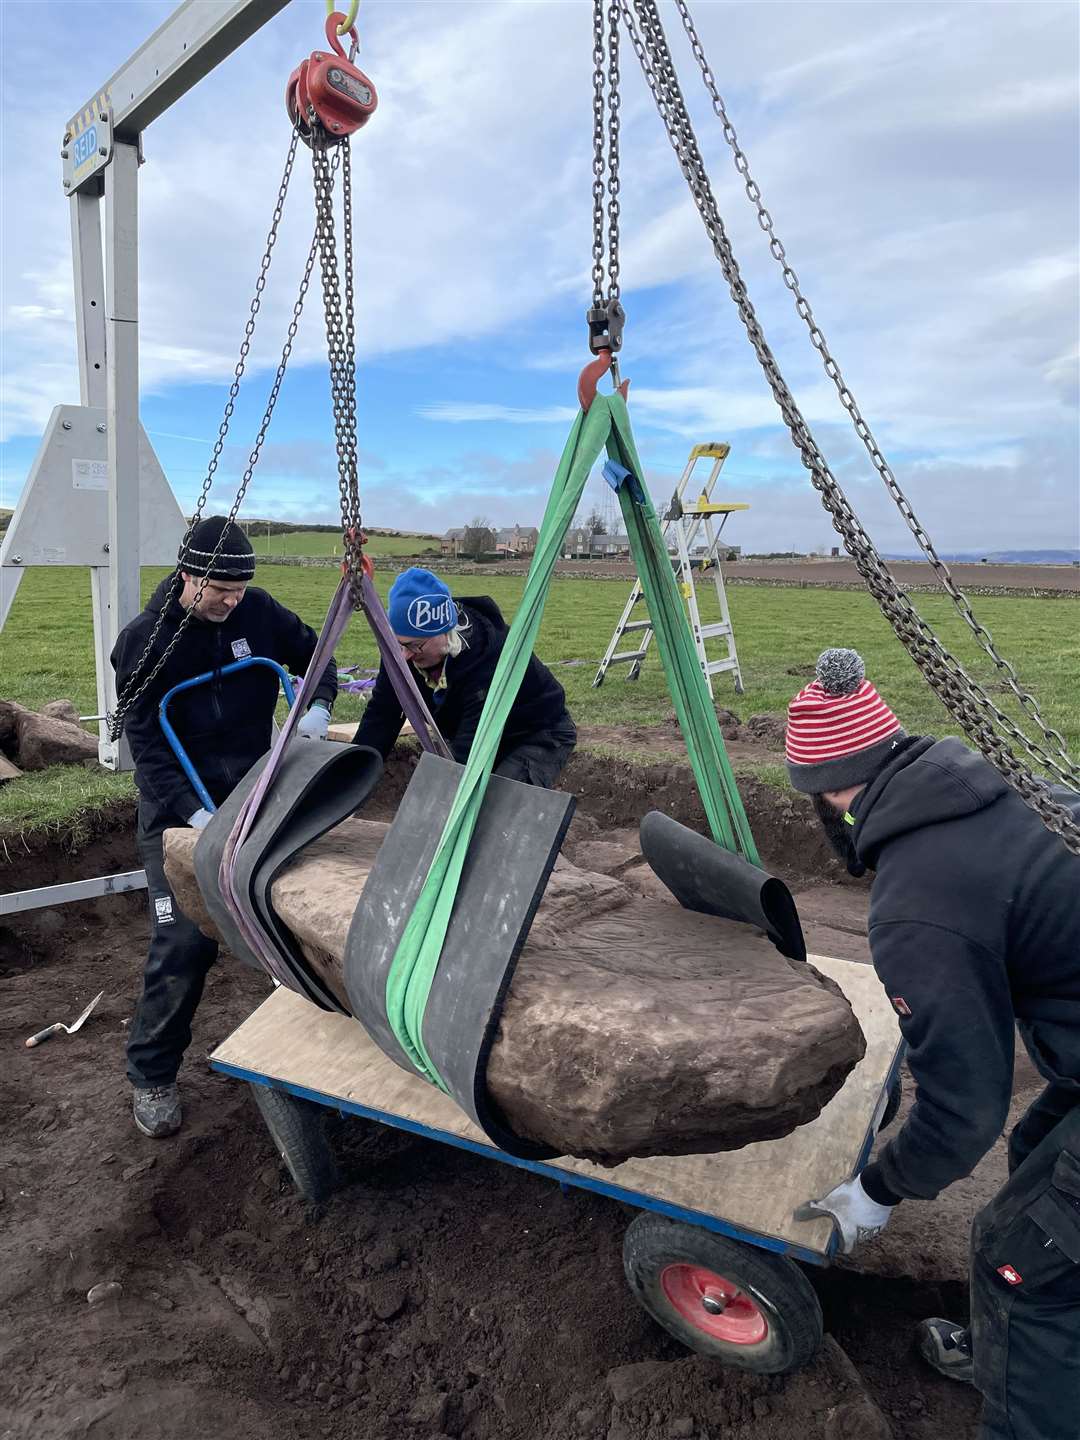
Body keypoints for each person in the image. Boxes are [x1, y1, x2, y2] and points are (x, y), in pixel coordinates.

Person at [787, 647, 1080, 1440]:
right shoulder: (996, 787)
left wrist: (878, 1189)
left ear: (828, 795)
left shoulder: (917, 902)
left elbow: (965, 1106)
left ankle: (1030, 1392)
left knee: (1016, 1261)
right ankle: (1026, 1353)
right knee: (1038, 1153)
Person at [111, 517, 338, 1140]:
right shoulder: (146, 641)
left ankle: (318, 1046)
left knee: (294, 913)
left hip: (253, 795)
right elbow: (148, 746)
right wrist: (194, 815)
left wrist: (317, 705)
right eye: (220, 591)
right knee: (185, 942)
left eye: (240, 591)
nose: (231, 602)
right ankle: (152, 1074)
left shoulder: (258, 613)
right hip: (179, 812)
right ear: (188, 575)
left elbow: (316, 656)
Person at [351, 567, 576, 786]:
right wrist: (353, 772)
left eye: (415, 646)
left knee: (497, 804)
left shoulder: (487, 657)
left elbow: (470, 750)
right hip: (467, 728)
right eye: (399, 644)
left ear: (444, 630)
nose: (406, 655)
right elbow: (383, 712)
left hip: (534, 732)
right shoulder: (403, 651)